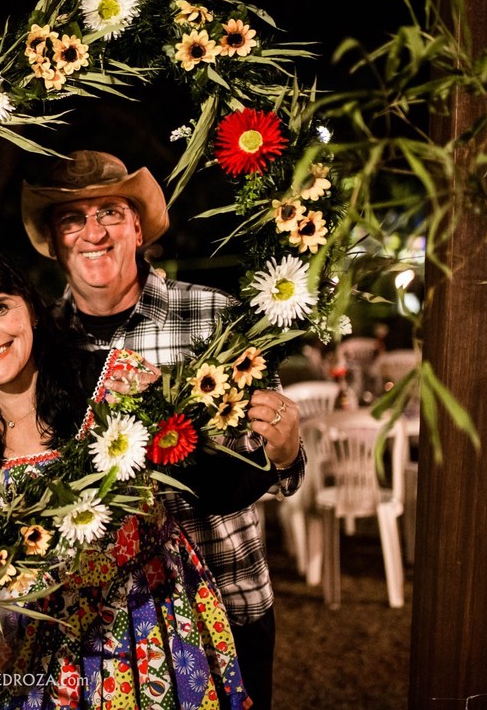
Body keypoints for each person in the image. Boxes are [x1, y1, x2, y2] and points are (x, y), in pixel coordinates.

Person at [20, 150, 305, 710]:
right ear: (54, 242)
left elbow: (275, 467)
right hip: (100, 625)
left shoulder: (214, 317)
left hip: (228, 601)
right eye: (72, 219)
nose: (93, 232)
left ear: (138, 228)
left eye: (110, 213)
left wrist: (288, 451)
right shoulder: (39, 345)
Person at [0, 242, 255, 710]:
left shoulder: (114, 382)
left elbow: (218, 485)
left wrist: (275, 452)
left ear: (32, 310)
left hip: (151, 628)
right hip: (39, 657)